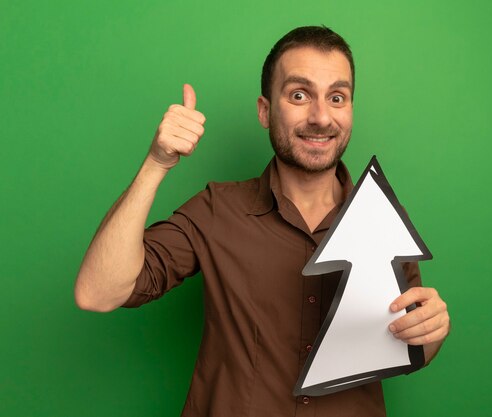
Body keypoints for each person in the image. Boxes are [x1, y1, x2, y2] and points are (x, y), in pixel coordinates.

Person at [75, 26, 450, 417]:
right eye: (299, 95)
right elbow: (97, 293)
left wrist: (431, 329)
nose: (321, 117)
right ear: (265, 110)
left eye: (337, 97)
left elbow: (409, 347)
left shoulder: (382, 218)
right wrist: (156, 163)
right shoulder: (216, 209)